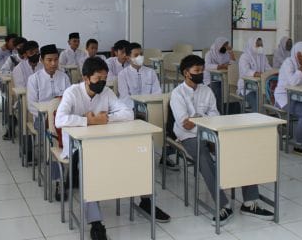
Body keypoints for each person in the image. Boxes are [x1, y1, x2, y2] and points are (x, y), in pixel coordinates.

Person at [170, 55, 273, 222]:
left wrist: (198, 119)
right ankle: (223, 205)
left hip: (212, 133)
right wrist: (203, 120)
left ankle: (249, 202)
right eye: (197, 70)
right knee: (204, 157)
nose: (201, 73)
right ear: (186, 73)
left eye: (202, 70)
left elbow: (215, 118)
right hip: (188, 136)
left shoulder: (207, 91)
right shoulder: (177, 94)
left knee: (239, 150)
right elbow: (186, 125)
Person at [55, 57, 134, 240]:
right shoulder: (72, 92)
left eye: (104, 79)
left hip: (100, 143)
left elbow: (128, 113)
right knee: (88, 168)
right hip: (76, 146)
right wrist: (88, 121)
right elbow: (59, 120)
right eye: (98, 79)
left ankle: (142, 196)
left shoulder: (106, 92)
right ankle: (96, 222)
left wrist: (106, 119)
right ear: (86, 78)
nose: (102, 83)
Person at [116, 43, 173, 222]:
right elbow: (124, 98)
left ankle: (147, 198)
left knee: (150, 155)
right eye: (136, 54)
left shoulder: (150, 72)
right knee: (138, 156)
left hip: (151, 116)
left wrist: (147, 107)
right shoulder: (123, 75)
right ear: (128, 57)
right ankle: (143, 196)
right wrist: (139, 107)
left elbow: (157, 93)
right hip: (133, 117)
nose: (139, 57)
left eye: (141, 54)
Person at [27, 44, 71, 200]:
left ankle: (73, 172)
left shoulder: (64, 77)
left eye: (56, 60)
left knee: (73, 136)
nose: (53, 63)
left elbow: (70, 101)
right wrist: (48, 117)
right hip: (42, 119)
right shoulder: (34, 79)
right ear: (41, 60)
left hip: (62, 119)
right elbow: (32, 106)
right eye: (49, 60)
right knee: (53, 140)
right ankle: (59, 181)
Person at [237, 37, 272, 112]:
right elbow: (246, 71)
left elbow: (268, 68)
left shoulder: (262, 56)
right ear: (252, 45)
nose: (260, 47)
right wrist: (258, 74)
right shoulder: (244, 56)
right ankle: (257, 118)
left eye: (261, 45)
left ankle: (266, 117)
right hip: (246, 88)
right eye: (258, 45)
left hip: (260, 86)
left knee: (271, 99)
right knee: (257, 102)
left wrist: (271, 73)